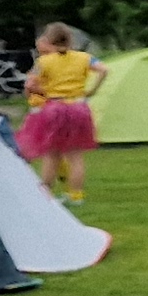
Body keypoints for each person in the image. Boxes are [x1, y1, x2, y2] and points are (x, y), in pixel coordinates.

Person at [21, 22, 100, 200]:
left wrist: (44, 92)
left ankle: (46, 193)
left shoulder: (44, 62)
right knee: (75, 155)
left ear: (49, 41)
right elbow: (103, 70)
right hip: (78, 107)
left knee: (51, 153)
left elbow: (29, 85)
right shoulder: (84, 57)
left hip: (54, 107)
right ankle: (76, 195)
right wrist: (92, 90)